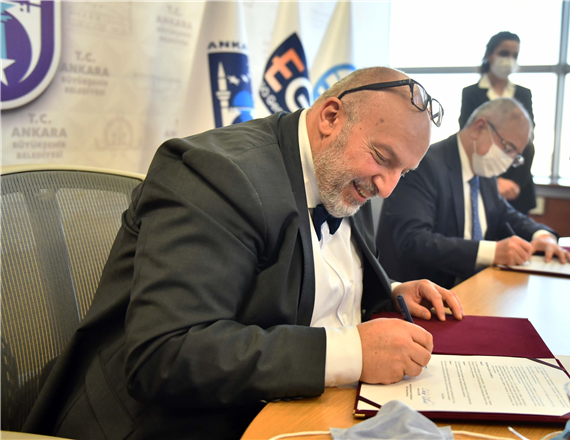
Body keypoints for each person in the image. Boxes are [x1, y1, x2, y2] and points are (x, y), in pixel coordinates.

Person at [22, 67, 464, 439]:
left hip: (295, 410)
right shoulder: (217, 174)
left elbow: (303, 275)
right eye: (383, 158)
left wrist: (389, 290)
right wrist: (353, 352)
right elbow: (166, 354)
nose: (388, 187)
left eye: (404, 171)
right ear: (331, 117)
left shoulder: (342, 171)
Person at [377, 98, 570, 289]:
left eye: (515, 156)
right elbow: (413, 241)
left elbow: (505, 214)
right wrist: (492, 252)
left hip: (476, 288)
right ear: (479, 128)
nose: (509, 161)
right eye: (508, 148)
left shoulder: (482, 168)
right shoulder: (425, 165)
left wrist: (542, 236)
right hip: (423, 295)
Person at [459, 31, 537, 215]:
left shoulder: (523, 94)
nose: (509, 59)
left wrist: (515, 183)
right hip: (482, 178)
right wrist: (493, 182)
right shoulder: (471, 93)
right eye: (504, 53)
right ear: (489, 54)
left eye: (515, 55)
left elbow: (527, 141)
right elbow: (467, 137)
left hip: (518, 184)